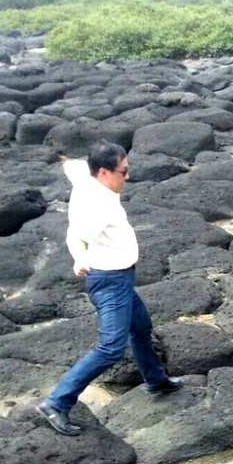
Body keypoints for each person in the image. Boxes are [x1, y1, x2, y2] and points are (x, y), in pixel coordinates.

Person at [36, 140, 181, 436]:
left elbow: (73, 166)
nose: (127, 177)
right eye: (123, 171)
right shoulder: (97, 206)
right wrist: (80, 258)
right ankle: (56, 402)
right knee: (111, 347)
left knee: (140, 327)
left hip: (121, 278)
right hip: (110, 280)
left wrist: (62, 155)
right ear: (103, 172)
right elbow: (78, 233)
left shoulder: (85, 176)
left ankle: (156, 380)